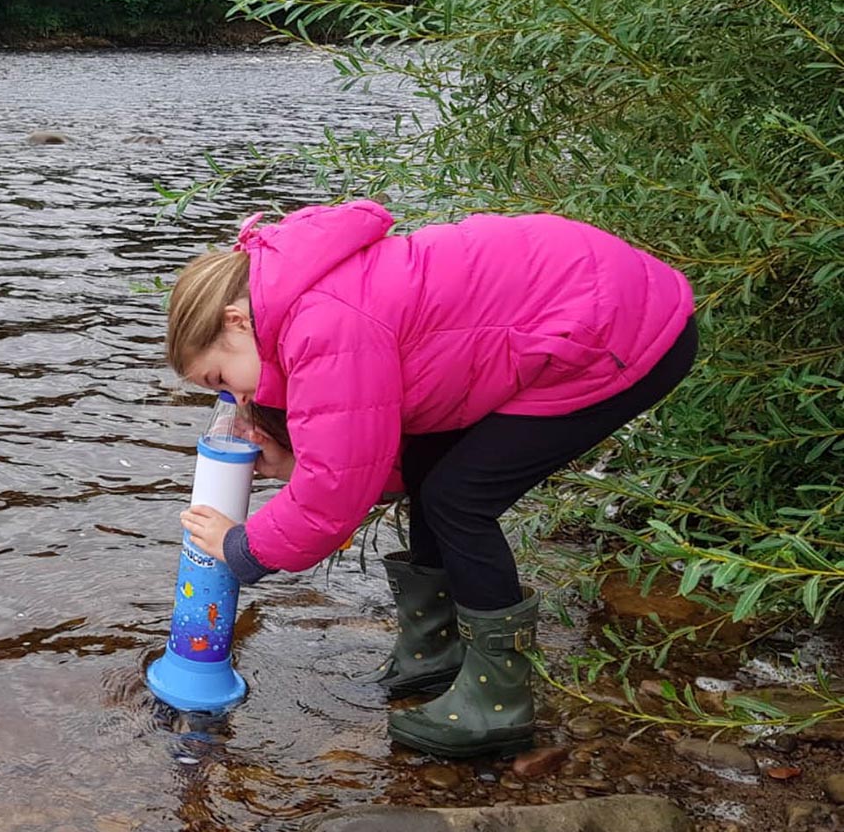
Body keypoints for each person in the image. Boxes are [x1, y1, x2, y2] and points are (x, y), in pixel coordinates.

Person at [170, 200, 696, 758]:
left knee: (458, 499)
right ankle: (435, 654)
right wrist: (300, 465)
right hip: (579, 307)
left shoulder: (322, 323)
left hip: (616, 329)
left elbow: (332, 497)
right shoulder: (305, 301)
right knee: (430, 474)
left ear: (236, 321)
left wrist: (240, 547)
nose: (237, 398)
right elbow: (369, 458)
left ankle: (498, 705)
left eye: (220, 377)